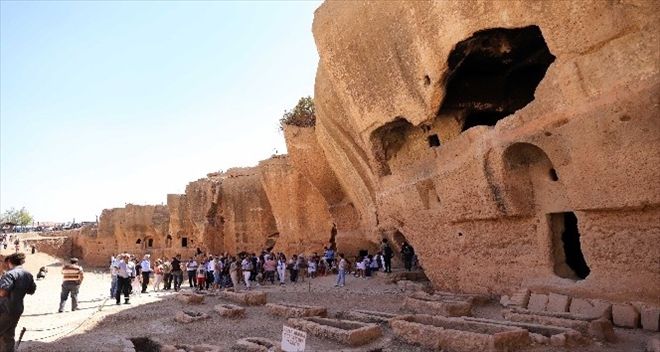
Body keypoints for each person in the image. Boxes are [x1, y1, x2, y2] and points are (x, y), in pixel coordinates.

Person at [0, 253, 36, 352]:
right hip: (17, 309)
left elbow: (3, 292)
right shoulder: (28, 274)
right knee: (8, 335)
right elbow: (31, 291)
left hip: (5, 309)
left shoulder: (9, 274)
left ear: (9, 262)